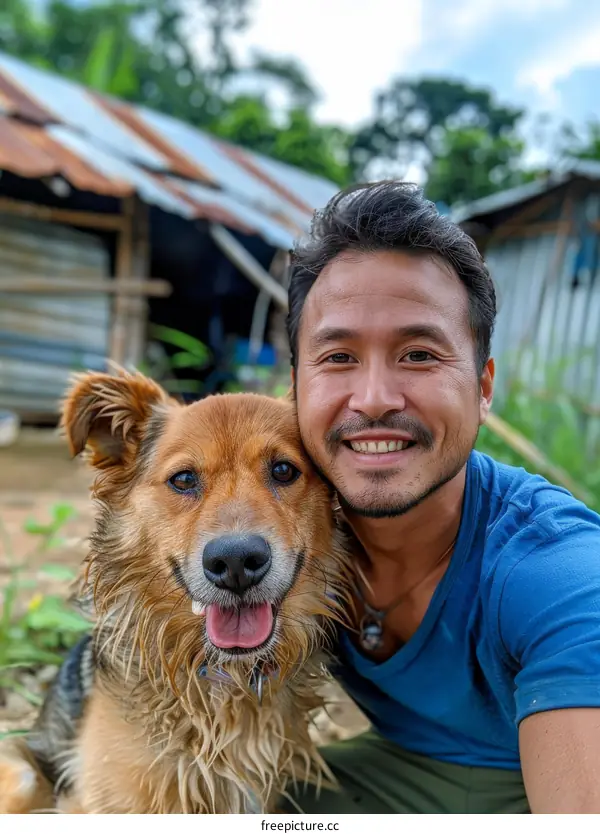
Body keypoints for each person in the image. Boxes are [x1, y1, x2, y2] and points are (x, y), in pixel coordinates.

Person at [282, 181, 600, 814]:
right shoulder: (282, 531)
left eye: (419, 354)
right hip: (399, 775)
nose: (374, 398)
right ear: (295, 384)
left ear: (483, 386)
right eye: (339, 355)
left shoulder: (559, 574)